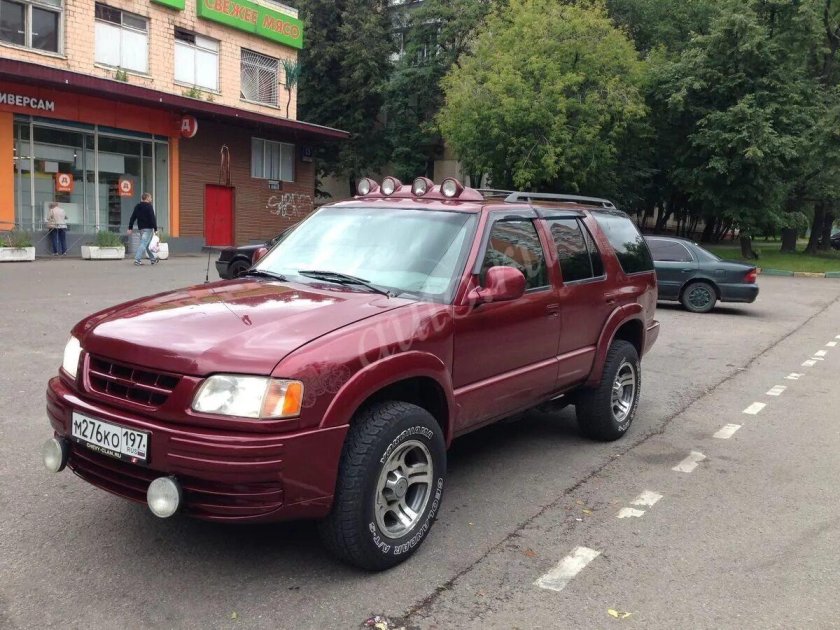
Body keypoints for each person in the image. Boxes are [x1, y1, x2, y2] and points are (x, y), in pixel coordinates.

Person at [127, 192, 158, 266]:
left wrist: (130, 227)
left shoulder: (137, 206)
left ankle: (153, 259)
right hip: (148, 229)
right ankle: (137, 260)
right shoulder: (149, 206)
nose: (151, 199)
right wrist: (155, 228)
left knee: (146, 244)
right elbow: (152, 218)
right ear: (147, 198)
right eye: (150, 197)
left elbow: (133, 217)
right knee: (144, 243)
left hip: (141, 229)